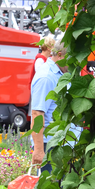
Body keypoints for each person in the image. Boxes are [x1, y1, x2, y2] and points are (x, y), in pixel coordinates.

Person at [30, 41, 67, 174]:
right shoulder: (46, 77)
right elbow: (37, 113)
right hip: (50, 145)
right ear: (60, 55)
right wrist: (39, 150)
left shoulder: (60, 74)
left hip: (60, 143)